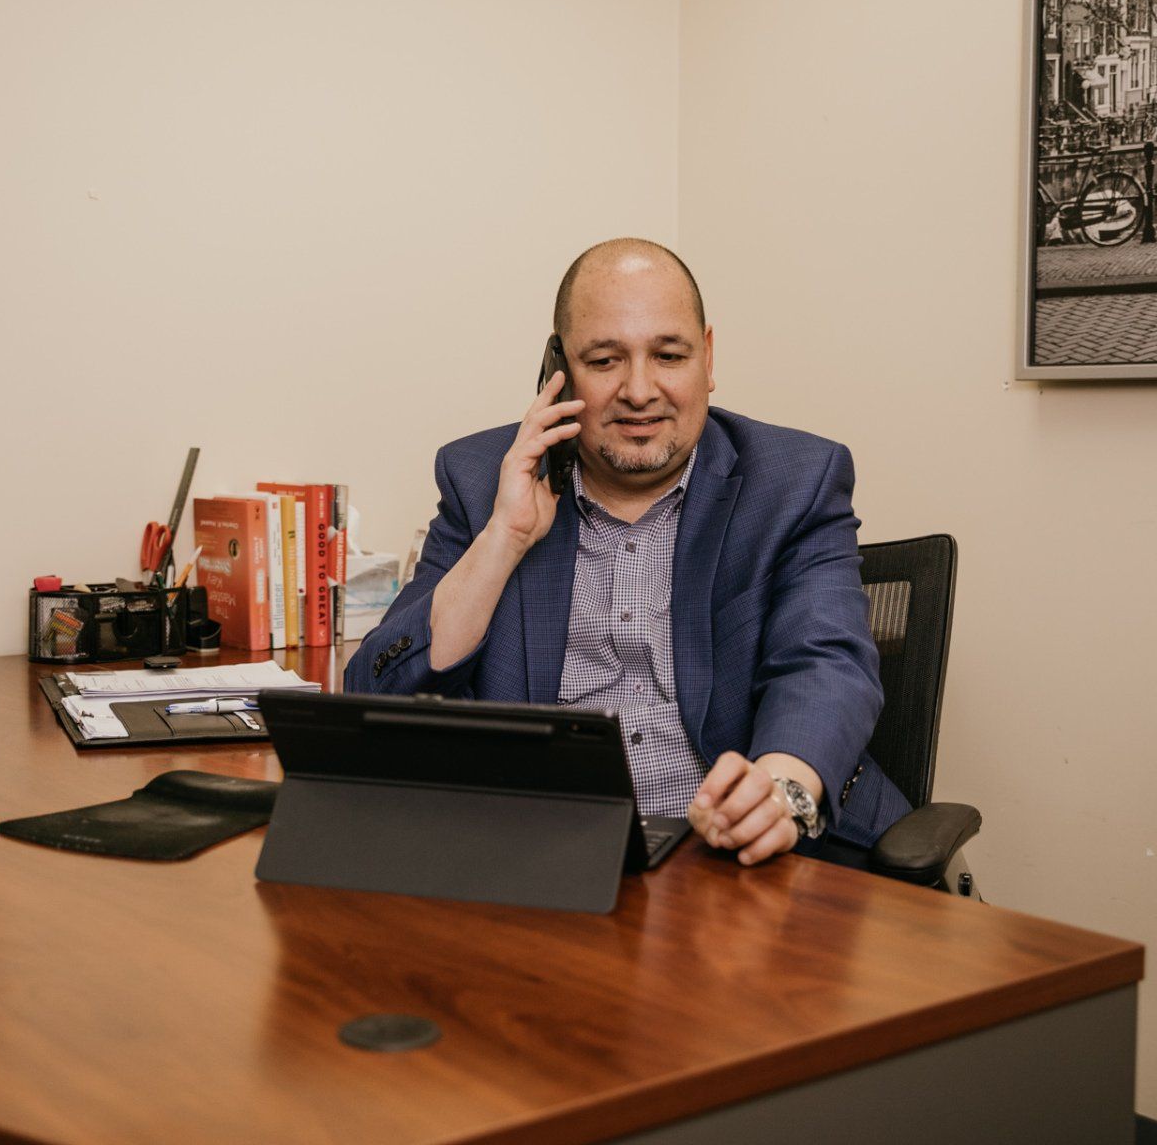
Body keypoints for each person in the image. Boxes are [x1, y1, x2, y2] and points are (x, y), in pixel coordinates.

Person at [345, 238, 906, 866]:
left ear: (708, 357)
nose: (640, 391)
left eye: (668, 355)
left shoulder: (794, 479)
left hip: (740, 864)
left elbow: (826, 665)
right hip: (545, 861)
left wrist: (777, 792)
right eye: (605, 360)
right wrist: (503, 539)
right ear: (557, 370)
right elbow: (376, 695)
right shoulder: (484, 479)